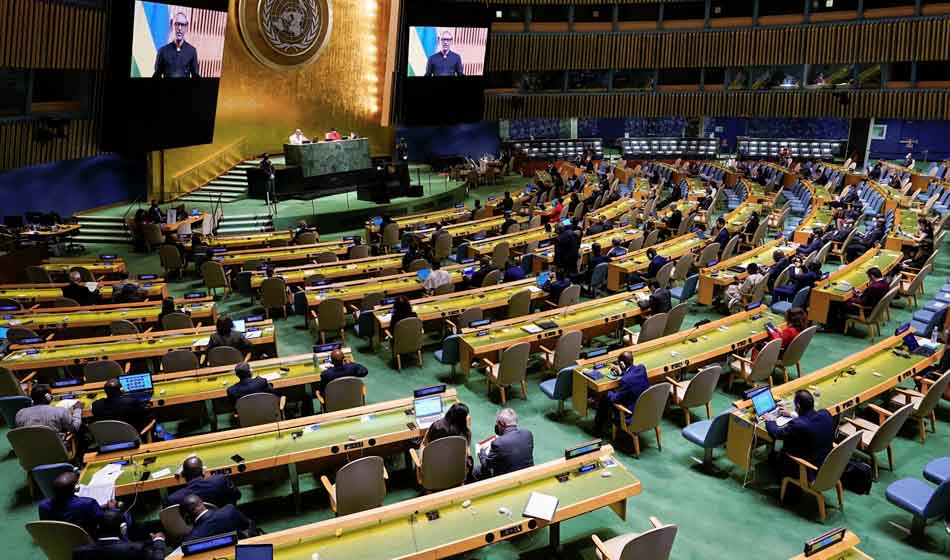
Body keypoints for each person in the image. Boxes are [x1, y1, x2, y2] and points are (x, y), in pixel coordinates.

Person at [766, 390, 835, 480]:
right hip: (826, 462)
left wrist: (770, 421)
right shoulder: (825, 414)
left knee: (779, 441)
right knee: (785, 440)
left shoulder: (797, 425)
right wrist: (792, 414)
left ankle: (775, 462)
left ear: (798, 406)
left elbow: (777, 434)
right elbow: (810, 420)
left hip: (807, 468)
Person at [38, 471, 113, 537]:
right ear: (75, 488)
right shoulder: (88, 503)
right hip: (86, 540)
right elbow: (103, 520)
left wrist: (99, 507)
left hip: (60, 541)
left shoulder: (43, 506)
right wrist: (112, 508)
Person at [72, 509, 166, 560]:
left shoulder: (79, 553)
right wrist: (158, 541)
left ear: (98, 528)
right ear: (123, 529)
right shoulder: (136, 549)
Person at [593, 351, 649, 436]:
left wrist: (608, 393)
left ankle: (597, 428)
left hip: (631, 413)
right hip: (645, 408)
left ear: (622, 364)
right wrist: (622, 373)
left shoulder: (625, 380)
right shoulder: (642, 368)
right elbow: (631, 375)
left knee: (605, 397)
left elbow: (615, 398)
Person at [476, 408, 533, 479]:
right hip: (528, 476)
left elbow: (486, 465)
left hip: (508, 481)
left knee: (477, 470)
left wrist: (482, 452)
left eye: (497, 423)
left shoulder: (498, 443)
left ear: (502, 423)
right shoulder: (528, 434)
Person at [165, 456, 242, 508]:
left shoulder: (173, 499)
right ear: (203, 471)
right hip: (226, 520)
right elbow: (237, 495)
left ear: (183, 475)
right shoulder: (220, 480)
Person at [16, 384, 82, 442]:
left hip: (31, 451)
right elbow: (74, 428)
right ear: (48, 397)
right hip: (56, 449)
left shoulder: (20, 413)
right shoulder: (60, 411)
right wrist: (77, 409)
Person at [180, 494, 255, 541]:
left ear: (187, 518)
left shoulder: (191, 540)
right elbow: (248, 525)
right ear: (203, 503)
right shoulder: (229, 510)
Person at [153, 12, 199, 78]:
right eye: (177, 24)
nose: (179, 28)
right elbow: (156, 75)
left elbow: (195, 75)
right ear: (172, 25)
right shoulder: (162, 51)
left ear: (186, 27)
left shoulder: (192, 51)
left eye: (182, 25)